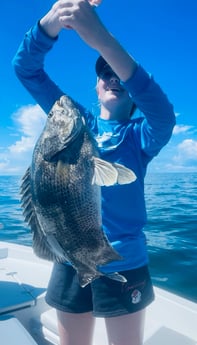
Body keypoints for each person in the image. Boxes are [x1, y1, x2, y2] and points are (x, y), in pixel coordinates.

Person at [12, 1, 176, 344]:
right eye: (105, 73)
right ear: (97, 85)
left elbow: (163, 114)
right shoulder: (72, 120)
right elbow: (26, 68)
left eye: (120, 73)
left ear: (133, 90)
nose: (113, 78)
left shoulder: (140, 135)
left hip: (123, 261)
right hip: (70, 257)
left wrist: (102, 39)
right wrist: (52, 20)